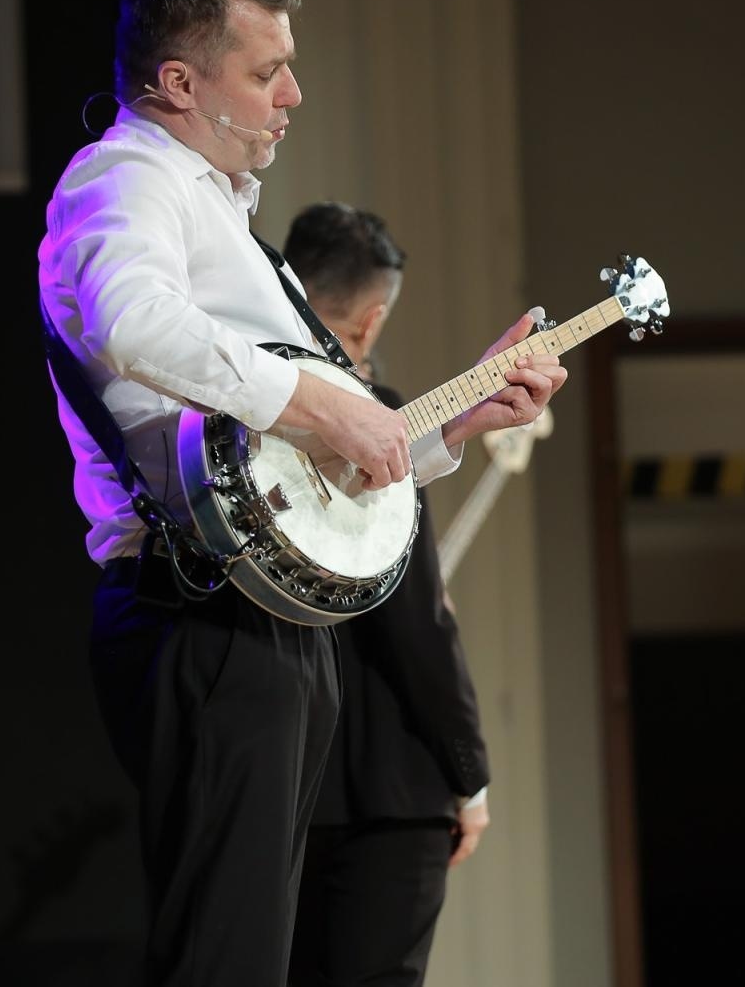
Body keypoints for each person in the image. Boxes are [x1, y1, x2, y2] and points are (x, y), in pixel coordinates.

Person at [37, 0, 566, 987]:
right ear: (181, 82)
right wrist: (324, 396)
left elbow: (307, 458)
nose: (294, 92)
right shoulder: (127, 176)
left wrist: (452, 424)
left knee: (254, 958)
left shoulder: (224, 215)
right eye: (265, 69)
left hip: (264, 618)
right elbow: (130, 319)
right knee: (222, 958)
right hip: (198, 613)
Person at [282, 203, 491, 987]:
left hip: (281, 787)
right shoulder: (380, 428)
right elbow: (417, 624)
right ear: (370, 323)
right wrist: (467, 772)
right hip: (389, 792)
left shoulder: (236, 420)